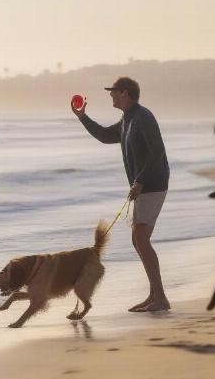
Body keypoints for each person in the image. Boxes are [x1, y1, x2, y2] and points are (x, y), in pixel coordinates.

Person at [71, 76, 171, 312]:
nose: (111, 96)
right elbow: (106, 136)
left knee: (141, 238)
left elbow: (157, 151)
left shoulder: (143, 117)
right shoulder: (127, 119)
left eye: (113, 92)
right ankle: (155, 294)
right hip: (144, 185)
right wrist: (83, 117)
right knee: (138, 240)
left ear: (125, 93)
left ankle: (160, 298)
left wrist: (140, 181)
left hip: (153, 183)